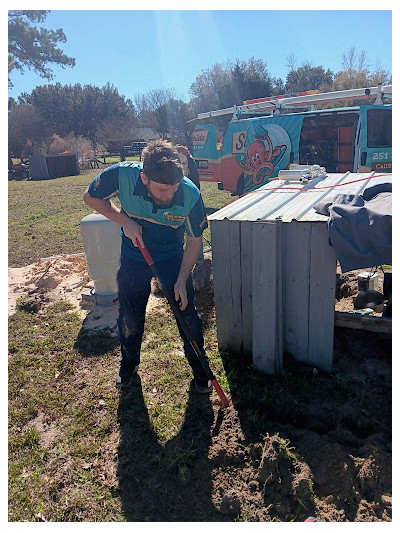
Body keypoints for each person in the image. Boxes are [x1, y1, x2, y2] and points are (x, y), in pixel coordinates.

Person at [83, 140, 212, 393]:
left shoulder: (190, 195)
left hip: (171, 257)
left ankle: (201, 372)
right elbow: (90, 196)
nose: (169, 195)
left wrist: (181, 280)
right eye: (162, 190)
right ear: (144, 178)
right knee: (130, 317)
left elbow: (194, 241)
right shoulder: (121, 175)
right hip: (134, 255)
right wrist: (124, 221)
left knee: (187, 315)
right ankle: (128, 370)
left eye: (172, 189)